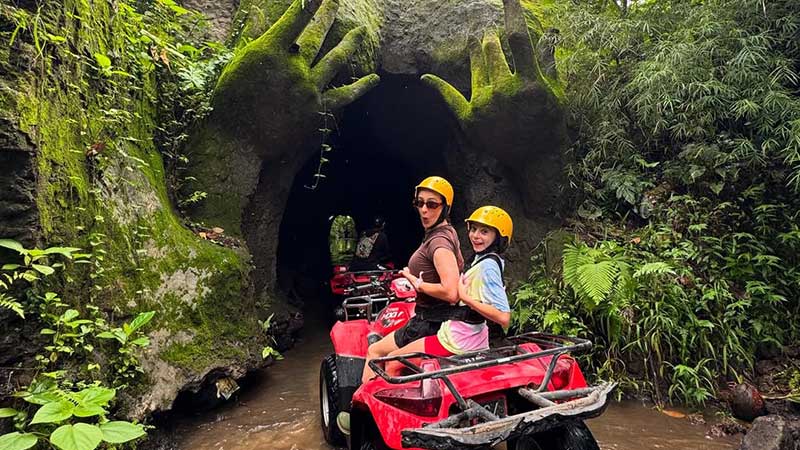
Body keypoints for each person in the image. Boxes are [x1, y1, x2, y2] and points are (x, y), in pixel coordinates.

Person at [337, 176, 464, 435]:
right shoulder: (446, 234)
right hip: (440, 318)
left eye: (432, 204)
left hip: (428, 322)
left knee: (374, 352)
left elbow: (451, 292)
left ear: (445, 208)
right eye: (419, 203)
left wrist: (416, 282)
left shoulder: (438, 242)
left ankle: (360, 417)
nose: (425, 210)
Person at [385, 205, 513, 373]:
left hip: (459, 340)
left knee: (393, 362)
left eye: (484, 232)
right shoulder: (483, 259)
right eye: (473, 229)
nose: (475, 236)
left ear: (499, 237)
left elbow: (504, 317)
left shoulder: (487, 267)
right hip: (470, 335)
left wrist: (466, 298)